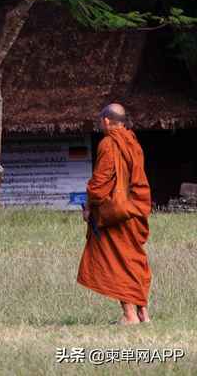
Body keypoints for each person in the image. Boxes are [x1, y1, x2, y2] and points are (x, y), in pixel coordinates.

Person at [77, 104, 152, 325]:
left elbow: (100, 182)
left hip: (115, 214)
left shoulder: (109, 143)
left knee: (117, 261)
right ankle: (143, 314)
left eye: (101, 120)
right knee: (133, 259)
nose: (100, 124)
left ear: (107, 121)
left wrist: (89, 206)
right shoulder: (133, 142)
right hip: (134, 208)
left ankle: (129, 315)